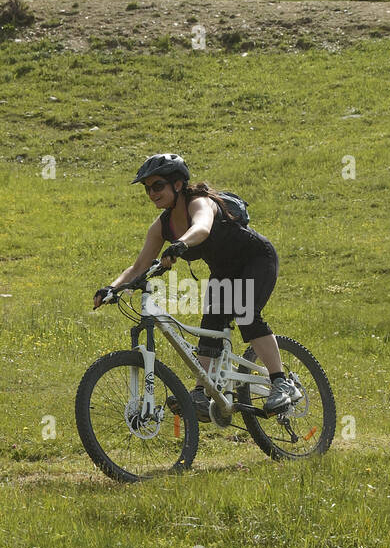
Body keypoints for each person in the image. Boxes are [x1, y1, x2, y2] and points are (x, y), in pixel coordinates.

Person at [92, 152, 298, 417]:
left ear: (177, 184)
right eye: (147, 189)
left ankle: (281, 382)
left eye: (158, 186)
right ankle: (203, 392)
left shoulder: (199, 202)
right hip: (224, 271)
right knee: (210, 326)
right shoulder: (161, 226)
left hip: (256, 259)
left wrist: (180, 245)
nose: (152, 193)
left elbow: (201, 228)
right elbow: (138, 266)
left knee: (245, 313)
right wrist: (111, 288)